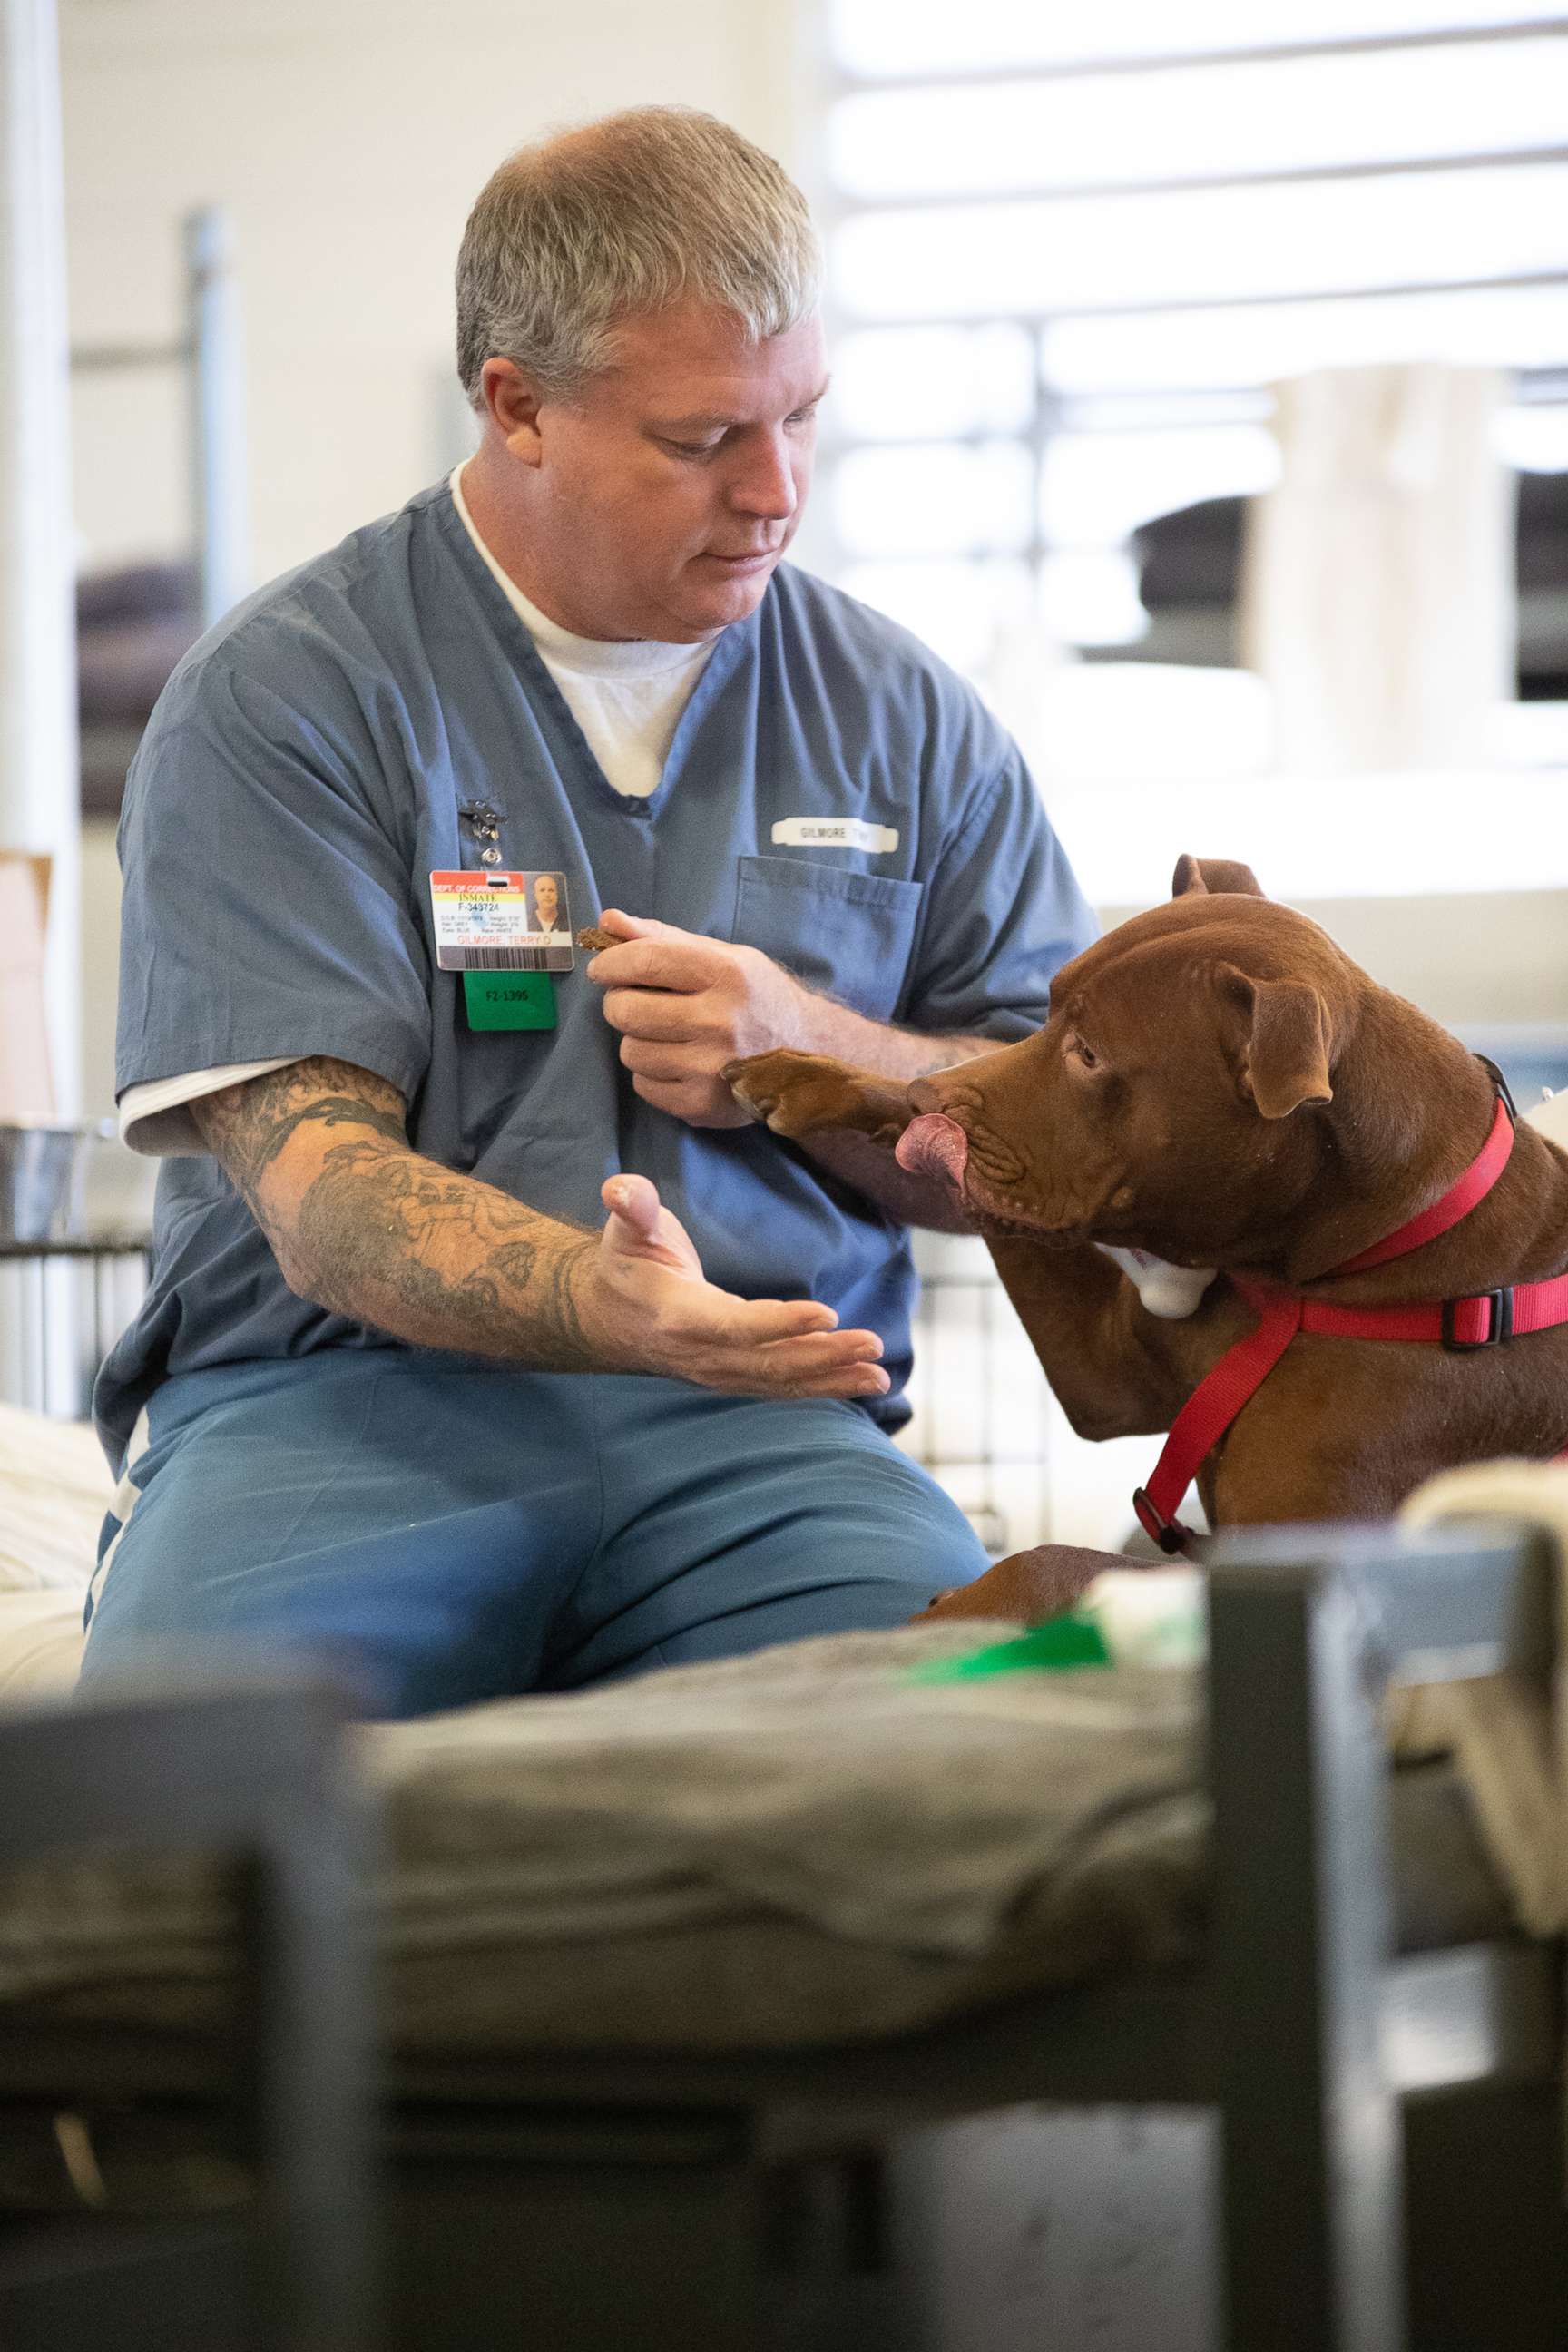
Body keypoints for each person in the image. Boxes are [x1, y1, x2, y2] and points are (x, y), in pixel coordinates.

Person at [83, 107, 1094, 1717]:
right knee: (168, 1826)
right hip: (333, 1421)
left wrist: (815, 1051)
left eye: (804, 419)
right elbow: (321, 1188)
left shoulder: (904, 715)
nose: (777, 493)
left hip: (765, 1443)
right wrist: (594, 1302)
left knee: (991, 1755)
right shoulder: (287, 697)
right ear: (518, 404)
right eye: (703, 441)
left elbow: (1064, 1154)